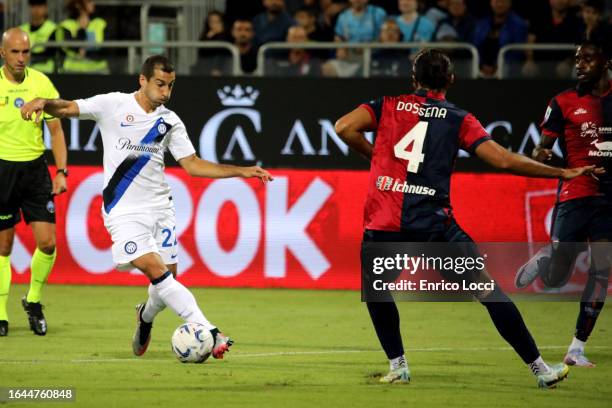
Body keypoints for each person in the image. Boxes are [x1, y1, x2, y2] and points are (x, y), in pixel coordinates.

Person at [334, 48, 602, 387]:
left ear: (413, 79)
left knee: (378, 292)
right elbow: (503, 160)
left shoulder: (386, 105)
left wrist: (377, 158)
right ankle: (540, 369)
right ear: (450, 80)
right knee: (487, 292)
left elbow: (344, 127)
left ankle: (398, 365)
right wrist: (561, 173)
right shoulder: (458, 118)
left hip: (385, 222)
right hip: (434, 225)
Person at [20, 55, 273, 357]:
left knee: (168, 280)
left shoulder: (169, 121)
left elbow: (192, 165)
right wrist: (43, 102)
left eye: (170, 86)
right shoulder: (113, 104)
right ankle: (210, 331)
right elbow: (69, 107)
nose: (165, 93)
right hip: (124, 212)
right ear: (142, 80)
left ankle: (146, 316)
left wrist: (241, 171)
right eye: (160, 84)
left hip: (160, 209)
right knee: (157, 272)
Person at [514, 39, 611, 368]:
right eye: (577, 59)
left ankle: (576, 348)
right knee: (556, 279)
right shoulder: (564, 102)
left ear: (606, 61)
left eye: (587, 58)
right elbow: (540, 150)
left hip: (608, 200)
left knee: (602, 271)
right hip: (576, 193)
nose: (580, 64)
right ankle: (546, 259)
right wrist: (546, 157)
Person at [0, 28, 67, 337]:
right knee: (3, 245)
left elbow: (55, 131)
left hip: (36, 171)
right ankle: (0, 313)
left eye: (25, 52)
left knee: (48, 243)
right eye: (15, 52)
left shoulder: (41, 83)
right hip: (2, 171)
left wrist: (61, 171)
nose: (21, 58)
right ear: (3, 53)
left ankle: (34, 300)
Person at [472, 0, 528, 77]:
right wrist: (481, 64)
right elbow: (475, 46)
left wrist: (497, 66)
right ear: (491, 3)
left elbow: (518, 51)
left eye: (503, 1)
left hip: (507, 71)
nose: (499, 4)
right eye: (496, 1)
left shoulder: (519, 24)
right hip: (480, 71)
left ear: (510, 3)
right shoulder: (481, 24)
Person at [19, 0, 69, 74]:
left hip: (46, 74)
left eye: (39, 6)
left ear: (46, 8)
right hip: (23, 75)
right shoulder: (21, 30)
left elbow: (52, 53)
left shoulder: (54, 29)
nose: (36, 9)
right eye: (33, 6)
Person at [59, 0, 109, 74]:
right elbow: (67, 47)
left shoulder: (100, 23)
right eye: (89, 1)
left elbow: (109, 48)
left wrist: (87, 53)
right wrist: (81, 30)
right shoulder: (66, 25)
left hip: (98, 71)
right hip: (72, 71)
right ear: (78, 5)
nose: (93, 3)